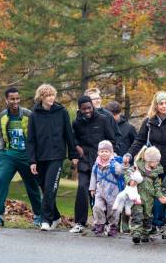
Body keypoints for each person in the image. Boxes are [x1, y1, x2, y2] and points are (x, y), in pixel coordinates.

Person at [123, 91, 166, 232]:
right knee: (151, 193)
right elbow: (139, 140)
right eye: (161, 103)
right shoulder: (149, 122)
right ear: (156, 105)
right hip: (152, 164)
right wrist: (129, 153)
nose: (164, 106)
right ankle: (152, 224)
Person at [0, 87, 42, 227]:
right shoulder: (3, 115)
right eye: (12, 99)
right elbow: (1, 134)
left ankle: (38, 215)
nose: (15, 101)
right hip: (8, 155)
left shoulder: (27, 114)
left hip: (26, 156)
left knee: (32, 186)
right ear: (6, 100)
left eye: (17, 98)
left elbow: (36, 134)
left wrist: (35, 156)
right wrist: (1, 151)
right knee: (1, 181)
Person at [27, 84, 76, 231]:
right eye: (48, 95)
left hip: (56, 156)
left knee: (50, 189)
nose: (51, 98)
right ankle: (55, 217)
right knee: (44, 188)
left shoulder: (62, 112)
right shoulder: (34, 115)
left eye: (53, 95)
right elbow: (31, 139)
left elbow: (69, 134)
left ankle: (46, 221)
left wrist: (73, 155)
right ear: (41, 97)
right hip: (40, 158)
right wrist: (32, 160)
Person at [70, 96, 116, 233]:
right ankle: (80, 222)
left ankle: (106, 223)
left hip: (102, 163)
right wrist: (77, 147)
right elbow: (73, 139)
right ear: (80, 109)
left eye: (89, 108)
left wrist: (110, 157)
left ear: (93, 107)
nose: (87, 111)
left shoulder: (102, 119)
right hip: (85, 161)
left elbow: (112, 139)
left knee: (103, 193)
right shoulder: (76, 123)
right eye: (84, 109)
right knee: (82, 188)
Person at [105, 100, 137, 233]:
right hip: (111, 166)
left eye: (112, 116)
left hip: (126, 166)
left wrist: (132, 162)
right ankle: (114, 222)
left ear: (117, 114)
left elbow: (136, 145)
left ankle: (125, 221)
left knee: (127, 194)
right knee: (113, 195)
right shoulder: (106, 125)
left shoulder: (129, 128)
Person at [125, 146, 166, 244]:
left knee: (148, 217)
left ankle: (145, 233)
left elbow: (157, 187)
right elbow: (127, 173)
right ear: (150, 160)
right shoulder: (137, 168)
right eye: (156, 161)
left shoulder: (155, 174)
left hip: (149, 199)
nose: (157, 163)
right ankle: (136, 233)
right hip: (138, 198)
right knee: (137, 215)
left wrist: (160, 196)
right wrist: (130, 181)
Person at [89, 141, 124, 237]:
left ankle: (112, 226)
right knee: (97, 207)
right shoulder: (96, 164)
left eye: (107, 151)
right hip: (100, 190)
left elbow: (120, 171)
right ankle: (100, 224)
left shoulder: (114, 163)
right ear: (98, 153)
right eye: (102, 151)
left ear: (111, 152)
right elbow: (93, 176)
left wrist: (123, 166)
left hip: (112, 190)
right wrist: (92, 188)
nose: (104, 153)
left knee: (113, 209)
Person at [85, 88, 122, 154]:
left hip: (105, 154)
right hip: (87, 155)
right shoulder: (82, 116)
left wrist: (113, 150)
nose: (98, 101)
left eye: (99, 98)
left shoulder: (108, 115)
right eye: (94, 99)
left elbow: (117, 135)